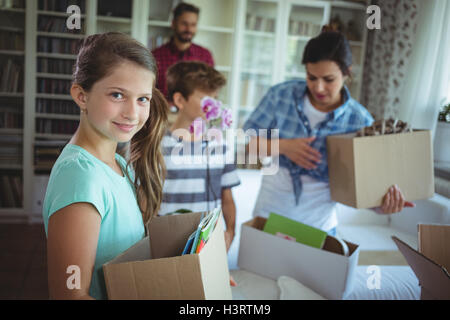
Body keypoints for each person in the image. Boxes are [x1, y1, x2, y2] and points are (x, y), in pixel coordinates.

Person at [243, 28, 415, 236]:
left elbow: (361, 186)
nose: (319, 87)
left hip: (319, 225)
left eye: (329, 79)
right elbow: (248, 145)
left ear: (347, 72)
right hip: (268, 214)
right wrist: (284, 146)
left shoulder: (360, 121)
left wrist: (381, 206)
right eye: (311, 77)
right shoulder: (281, 95)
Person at [42, 32, 169, 299]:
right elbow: (69, 295)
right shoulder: (80, 178)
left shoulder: (118, 163)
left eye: (142, 99)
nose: (132, 113)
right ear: (81, 96)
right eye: (117, 95)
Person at [160, 61, 240, 252]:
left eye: (216, 98)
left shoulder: (220, 145)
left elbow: (227, 198)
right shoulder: (158, 147)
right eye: (207, 99)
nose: (215, 106)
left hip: (208, 243)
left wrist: (230, 231)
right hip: (166, 243)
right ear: (180, 100)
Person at [152, 2, 214, 99]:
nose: (189, 29)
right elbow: (150, 91)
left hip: (195, 113)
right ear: (173, 24)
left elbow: (211, 90)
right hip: (165, 112)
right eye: (184, 23)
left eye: (193, 24)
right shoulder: (156, 56)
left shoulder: (205, 56)